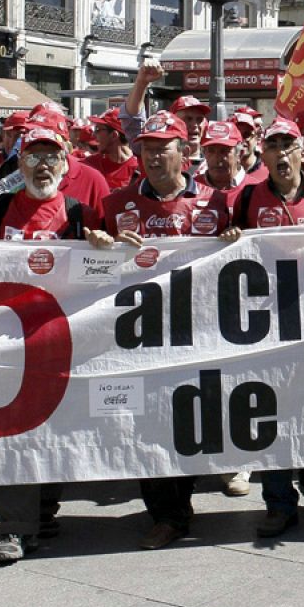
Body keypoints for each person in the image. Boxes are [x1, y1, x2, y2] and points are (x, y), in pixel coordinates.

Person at [86, 111, 231, 550]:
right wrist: (98, 244)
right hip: (137, 336)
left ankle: (179, 505)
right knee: (145, 423)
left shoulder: (217, 203)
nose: (151, 155)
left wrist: (235, 240)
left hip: (196, 335)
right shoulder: (115, 206)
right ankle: (164, 514)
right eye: (146, 147)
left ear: (184, 153)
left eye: (161, 147)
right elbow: (89, 273)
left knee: (185, 421)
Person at [217, 118, 304, 537]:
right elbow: (227, 250)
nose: (281, 153)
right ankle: (279, 503)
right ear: (262, 154)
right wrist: (229, 238)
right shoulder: (246, 198)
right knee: (270, 416)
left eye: (289, 144)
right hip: (265, 329)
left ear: (303, 152)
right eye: (273, 145)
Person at [0, 125, 89, 562]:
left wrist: (104, 245)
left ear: (67, 164)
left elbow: (103, 273)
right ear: (20, 163)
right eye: (34, 156)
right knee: (13, 432)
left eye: (52, 156)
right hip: (6, 341)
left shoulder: (78, 213)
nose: (44, 165)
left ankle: (42, 512)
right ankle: (14, 528)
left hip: (61, 340)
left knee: (54, 429)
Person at [82, 107, 139, 189]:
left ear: (114, 135)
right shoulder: (89, 165)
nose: (93, 135)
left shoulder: (139, 169)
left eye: (98, 129)